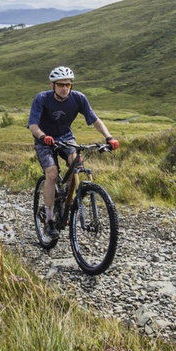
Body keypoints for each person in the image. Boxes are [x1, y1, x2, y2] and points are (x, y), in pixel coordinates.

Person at [27, 66, 119, 237]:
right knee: (52, 174)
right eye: (61, 85)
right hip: (45, 140)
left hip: (66, 137)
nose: (64, 88)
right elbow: (33, 125)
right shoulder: (42, 98)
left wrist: (109, 137)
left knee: (77, 163)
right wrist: (43, 136)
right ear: (52, 85)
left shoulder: (78, 98)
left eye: (68, 85)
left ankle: (66, 199)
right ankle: (49, 220)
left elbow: (95, 120)